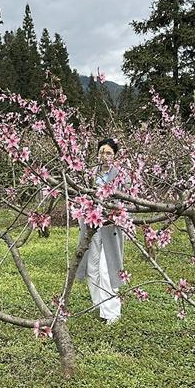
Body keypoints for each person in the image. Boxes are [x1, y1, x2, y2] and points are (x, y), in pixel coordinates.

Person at [75, 138, 125, 324]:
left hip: (111, 226)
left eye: (109, 153)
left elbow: (126, 201)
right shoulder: (90, 174)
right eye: (102, 152)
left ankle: (112, 313)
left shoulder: (120, 175)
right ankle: (99, 305)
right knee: (92, 267)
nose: (104, 156)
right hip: (91, 225)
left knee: (107, 269)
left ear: (115, 156)